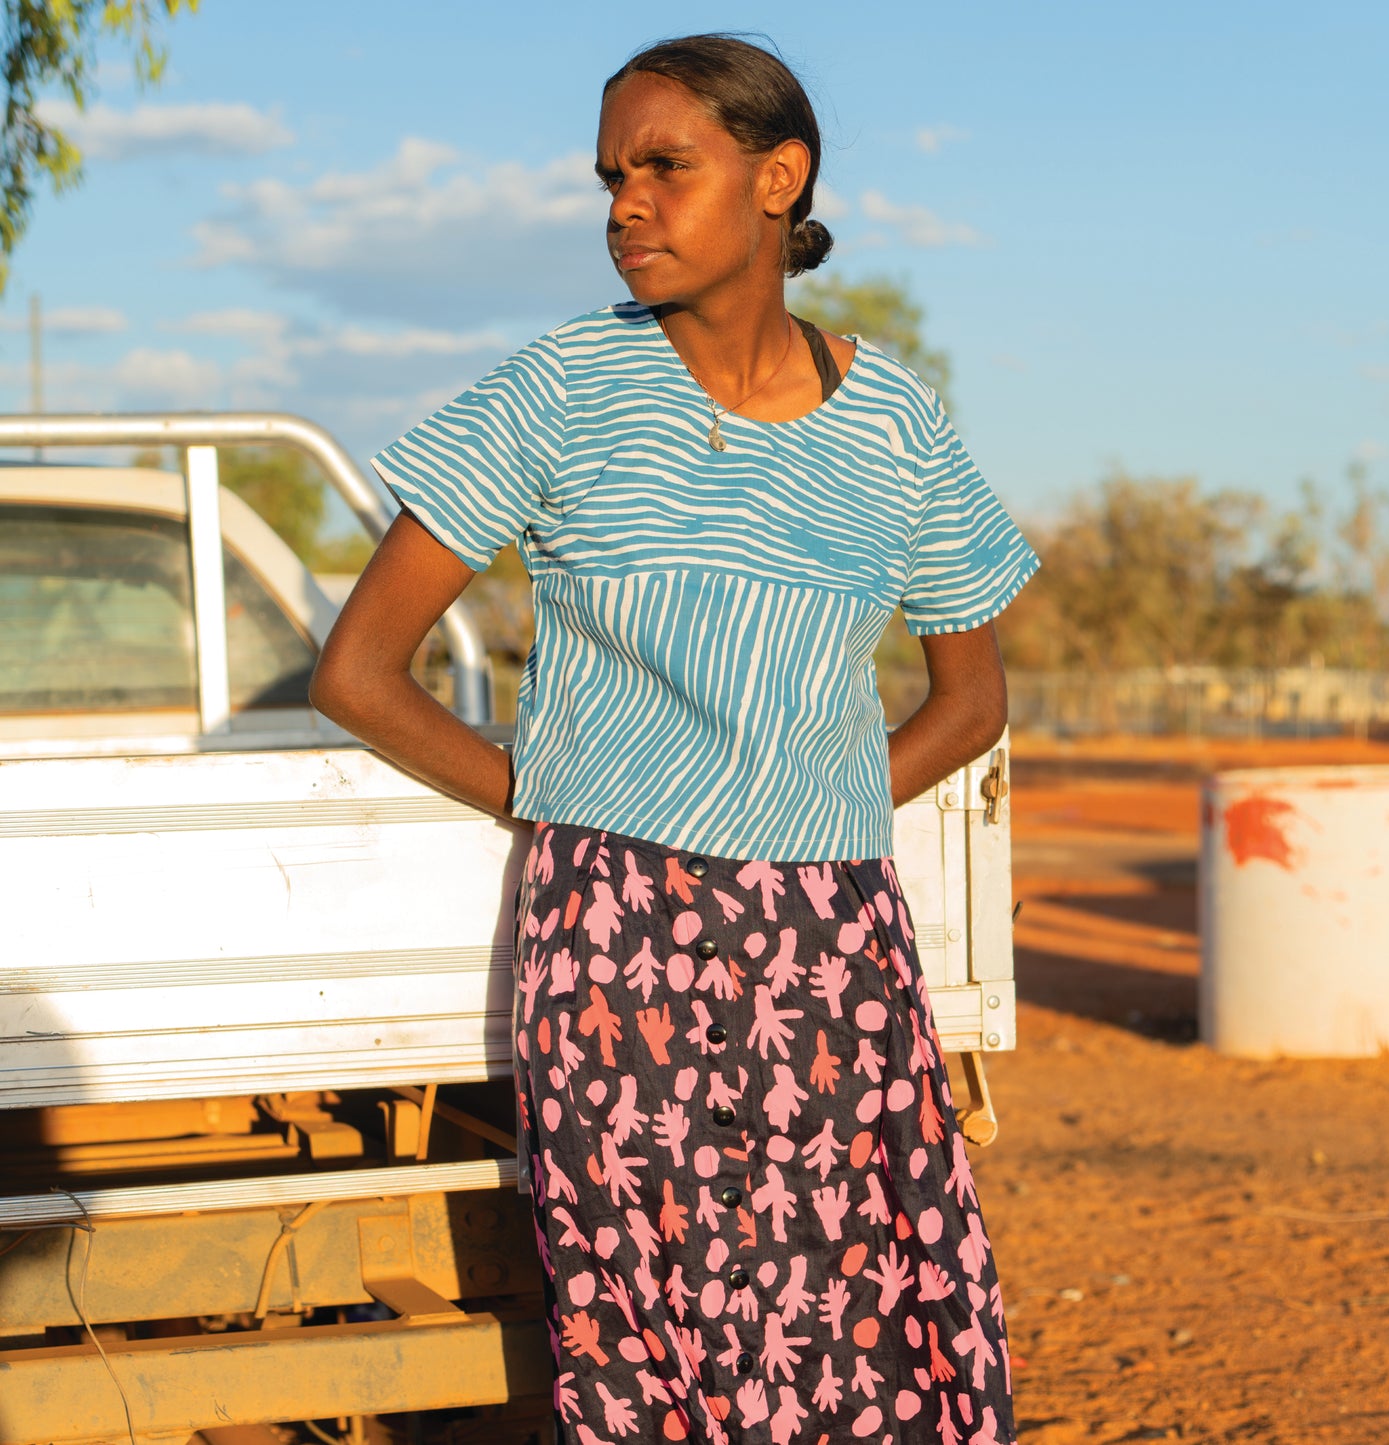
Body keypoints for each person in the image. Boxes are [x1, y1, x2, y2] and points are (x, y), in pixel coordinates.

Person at [311, 33, 1037, 1445]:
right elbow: (358, 669)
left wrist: (795, 803)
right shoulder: (561, 388)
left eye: (664, 167)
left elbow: (971, 702)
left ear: (780, 179)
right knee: (651, 1308)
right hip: (612, 929)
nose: (623, 205)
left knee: (866, 1296)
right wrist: (566, 806)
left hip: (830, 934)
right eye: (608, 176)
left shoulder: (894, 422)